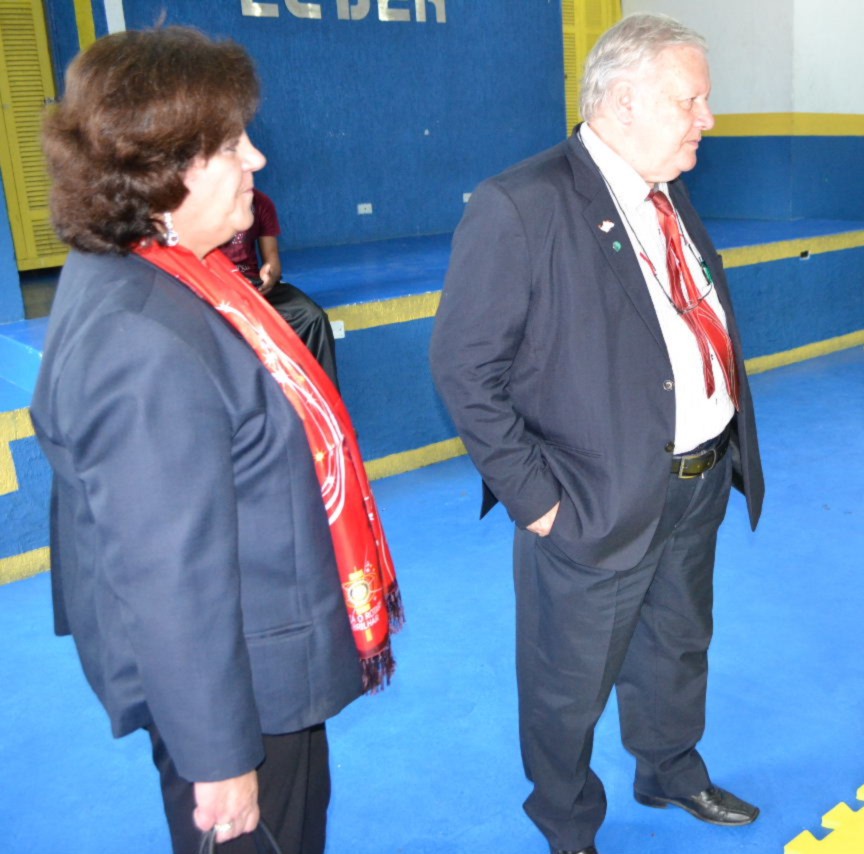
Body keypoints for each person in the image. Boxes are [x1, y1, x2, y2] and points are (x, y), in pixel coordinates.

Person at [34, 27, 401, 854]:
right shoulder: (144, 335)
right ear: (167, 167)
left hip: (258, 666)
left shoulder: (164, 274)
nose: (256, 160)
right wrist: (220, 757)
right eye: (234, 144)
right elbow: (168, 575)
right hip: (241, 694)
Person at [430, 13, 764, 854]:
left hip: (696, 480)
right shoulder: (522, 205)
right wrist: (537, 502)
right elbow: (465, 371)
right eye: (690, 101)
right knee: (566, 681)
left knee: (678, 646)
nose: (708, 119)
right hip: (589, 500)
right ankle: (567, 820)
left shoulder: (666, 189)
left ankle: (670, 769)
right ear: (622, 102)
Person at [219, 188, 340, 387]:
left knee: (312, 317)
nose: (248, 175)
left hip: (252, 284)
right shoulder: (203, 202)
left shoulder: (261, 202)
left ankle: (321, 396)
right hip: (215, 284)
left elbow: (272, 259)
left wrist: (270, 274)